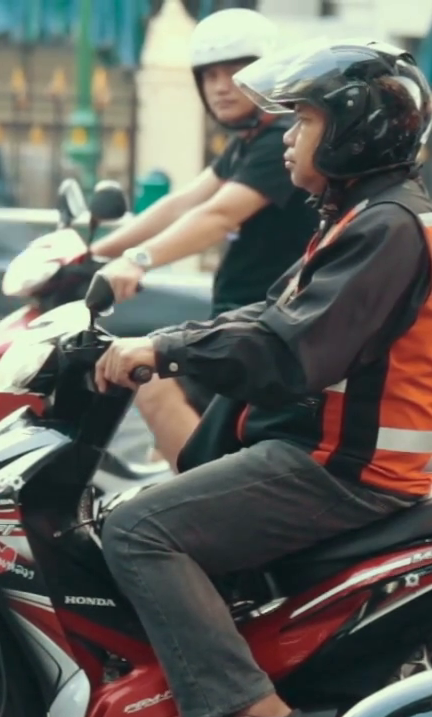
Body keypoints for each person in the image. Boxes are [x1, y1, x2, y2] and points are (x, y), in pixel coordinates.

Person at [92, 41, 432, 717]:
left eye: (307, 120)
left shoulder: (387, 228)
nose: (289, 137)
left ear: (356, 133)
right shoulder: (363, 216)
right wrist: (172, 344)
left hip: (342, 467)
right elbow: (272, 311)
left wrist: (166, 346)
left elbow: (290, 349)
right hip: (323, 453)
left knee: (141, 528)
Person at [81, 8, 320, 466]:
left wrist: (139, 260)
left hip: (268, 329)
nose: (221, 85)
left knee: (150, 379)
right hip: (245, 321)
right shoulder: (252, 141)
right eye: (209, 75)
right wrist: (91, 250)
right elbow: (182, 202)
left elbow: (218, 215)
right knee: (164, 441)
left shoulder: (280, 144)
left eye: (236, 70)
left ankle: (206, 513)